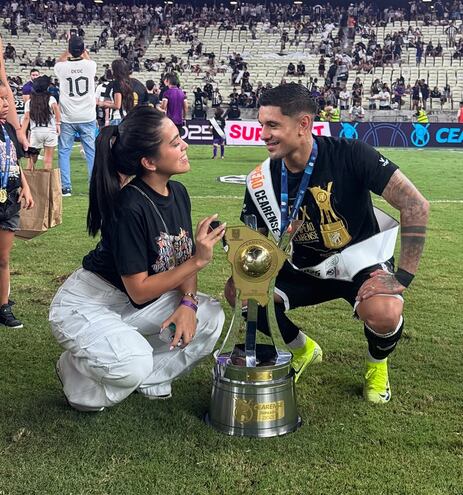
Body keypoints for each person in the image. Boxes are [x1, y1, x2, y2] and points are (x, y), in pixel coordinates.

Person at [225, 83, 429, 404]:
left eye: (272, 125)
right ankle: (302, 348)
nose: (263, 134)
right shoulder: (261, 179)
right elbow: (259, 244)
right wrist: (241, 253)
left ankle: (377, 366)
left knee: (386, 310)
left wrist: (402, 276)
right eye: (261, 124)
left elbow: (415, 204)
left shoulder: (351, 153)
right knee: (239, 291)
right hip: (306, 267)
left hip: (360, 264)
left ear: (303, 124)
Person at [50, 105, 226, 412]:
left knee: (209, 316)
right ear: (149, 162)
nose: (184, 145)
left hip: (133, 304)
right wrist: (198, 260)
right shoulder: (129, 206)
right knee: (132, 363)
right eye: (175, 143)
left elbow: (181, 256)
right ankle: (75, 371)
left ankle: (146, 378)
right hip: (89, 303)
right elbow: (140, 290)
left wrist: (188, 302)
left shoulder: (178, 192)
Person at [0, 81, 34, 328]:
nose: (6, 104)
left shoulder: (8, 129)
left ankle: (3, 306)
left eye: (6, 99)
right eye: (0, 99)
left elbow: (14, 162)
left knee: (3, 258)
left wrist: (26, 186)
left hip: (10, 200)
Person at [54, 36, 97, 197]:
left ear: (70, 49)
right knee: (91, 152)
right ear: (83, 49)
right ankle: (93, 185)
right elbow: (87, 58)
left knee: (64, 152)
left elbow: (59, 61)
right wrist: (81, 50)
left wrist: (68, 50)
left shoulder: (61, 67)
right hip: (87, 115)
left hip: (68, 116)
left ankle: (66, 187)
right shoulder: (90, 65)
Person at [21, 76, 61, 170]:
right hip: (50, 132)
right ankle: (46, 179)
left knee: (31, 161)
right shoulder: (51, 99)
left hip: (36, 132)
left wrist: (22, 133)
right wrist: (58, 123)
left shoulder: (30, 102)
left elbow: (26, 118)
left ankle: (29, 178)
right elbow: (56, 109)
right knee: (48, 160)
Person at [101, 59, 148, 126]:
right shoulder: (138, 83)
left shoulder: (117, 83)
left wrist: (103, 103)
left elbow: (117, 105)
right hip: (136, 118)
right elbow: (146, 101)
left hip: (119, 117)